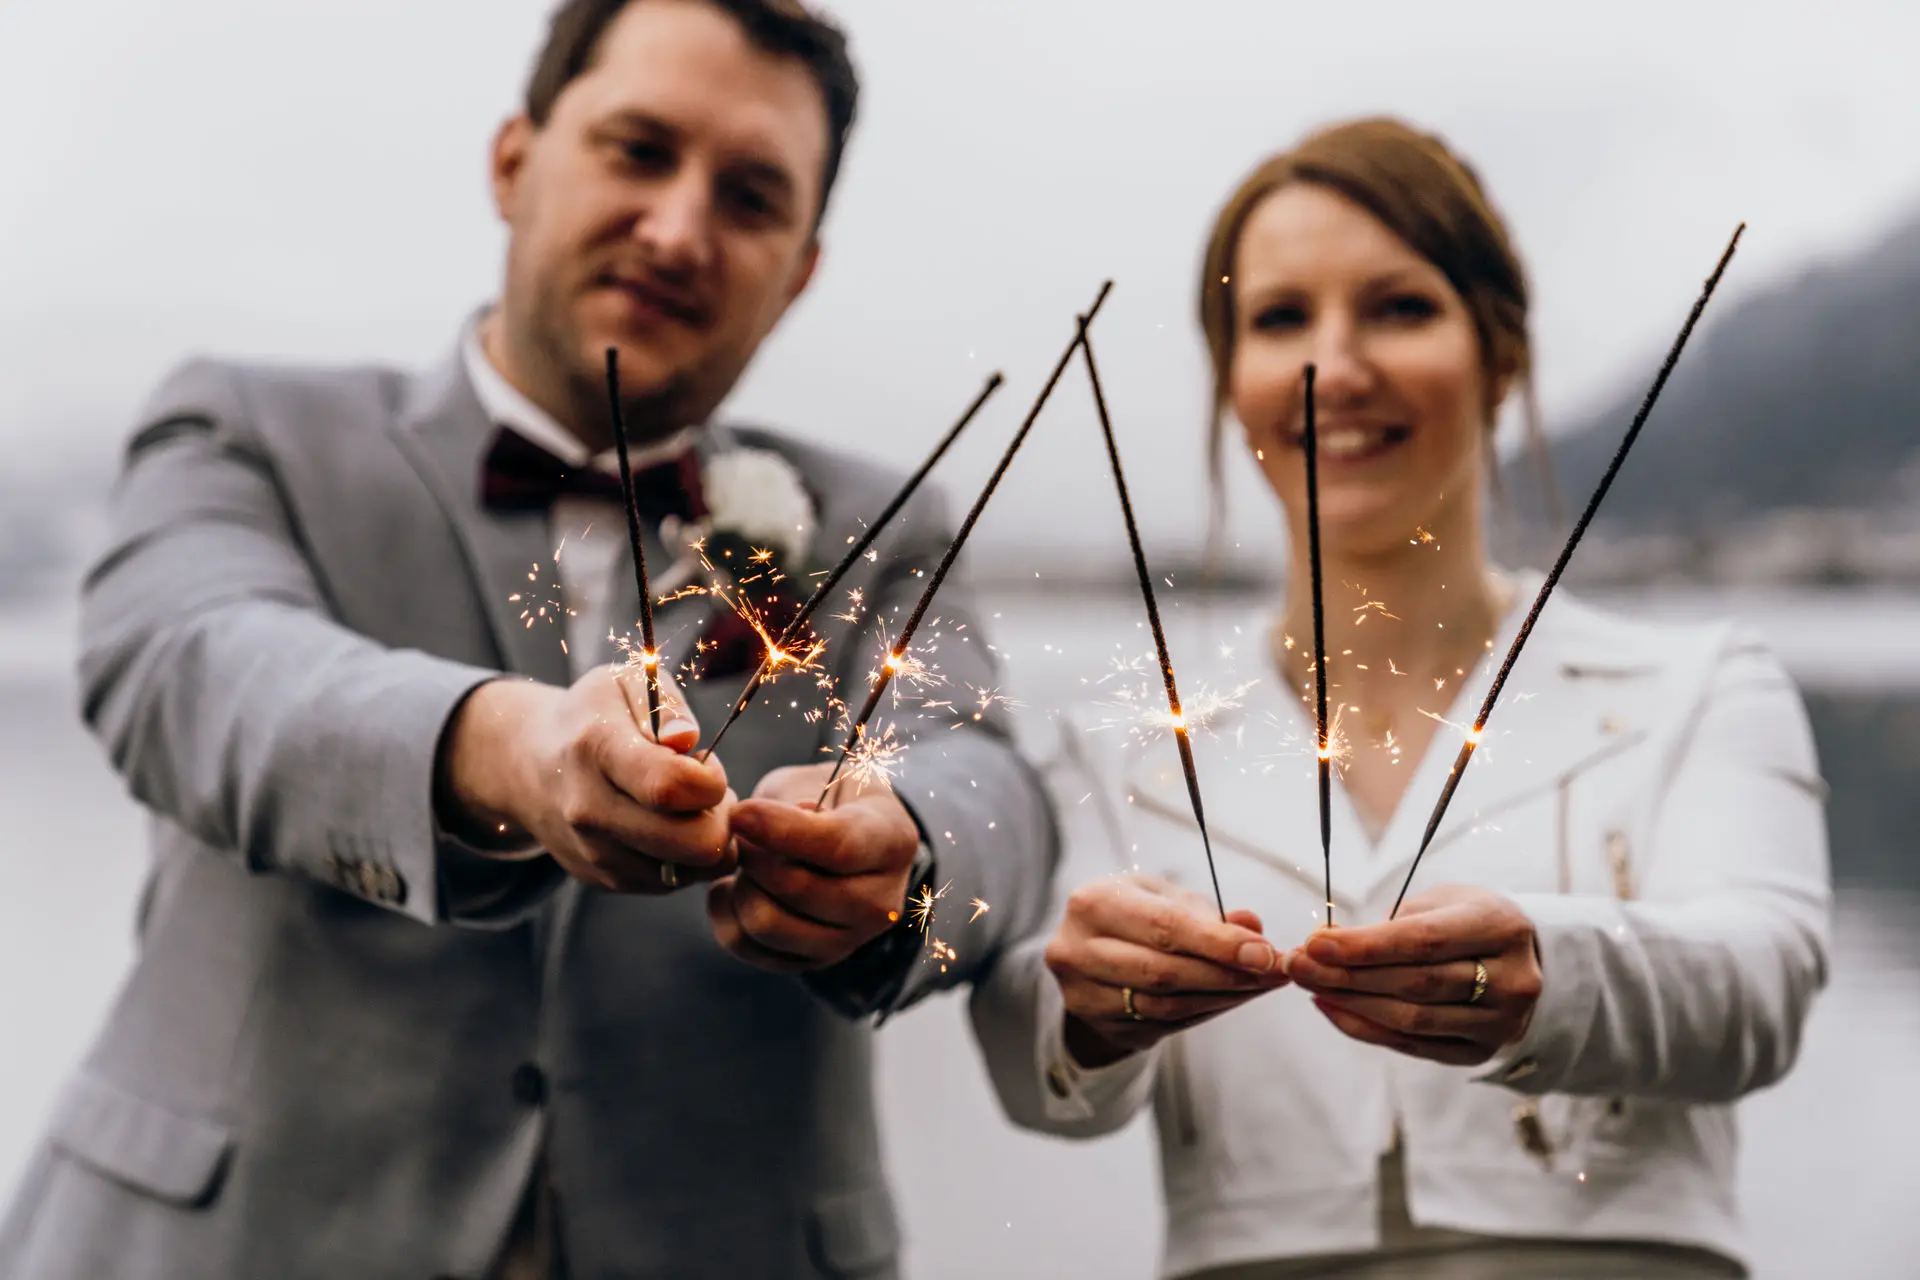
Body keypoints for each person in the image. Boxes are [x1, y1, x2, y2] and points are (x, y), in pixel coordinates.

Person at [0, 1, 1057, 1276]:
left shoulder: (881, 523)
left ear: (801, 268)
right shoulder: (243, 427)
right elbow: (188, 663)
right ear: (514, 159)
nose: (678, 228)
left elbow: (995, 781)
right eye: (638, 149)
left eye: (751, 196)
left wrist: (913, 846)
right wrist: (502, 748)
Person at [970, 116, 1831, 1279]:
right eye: (1280, 319)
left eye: (1398, 306)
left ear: (1502, 351)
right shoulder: (1121, 738)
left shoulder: (1700, 687)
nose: (1338, 363)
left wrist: (1552, 975)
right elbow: (1038, 1067)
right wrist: (1091, 1006)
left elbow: (1759, 984)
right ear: (1232, 382)